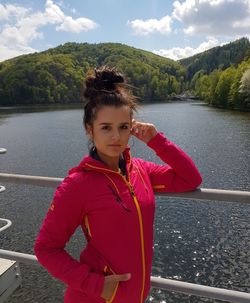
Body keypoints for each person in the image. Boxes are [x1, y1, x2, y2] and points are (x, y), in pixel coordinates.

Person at [34, 66, 202, 303]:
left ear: (131, 128)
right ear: (89, 130)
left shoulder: (142, 171)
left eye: (123, 127)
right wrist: (97, 285)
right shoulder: (78, 185)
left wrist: (157, 140)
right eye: (106, 128)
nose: (116, 137)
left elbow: (191, 178)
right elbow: (46, 249)